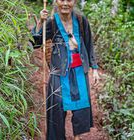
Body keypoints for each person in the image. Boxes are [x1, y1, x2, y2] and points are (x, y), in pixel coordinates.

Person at [30, 0, 100, 139]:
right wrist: (40, 23)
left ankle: (77, 137)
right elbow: (36, 43)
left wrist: (95, 69)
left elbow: (88, 44)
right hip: (59, 72)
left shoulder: (81, 20)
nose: (65, 3)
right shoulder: (52, 22)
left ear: (74, 1)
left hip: (80, 70)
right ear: (56, 1)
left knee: (80, 106)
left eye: (69, 0)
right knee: (56, 107)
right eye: (62, 0)